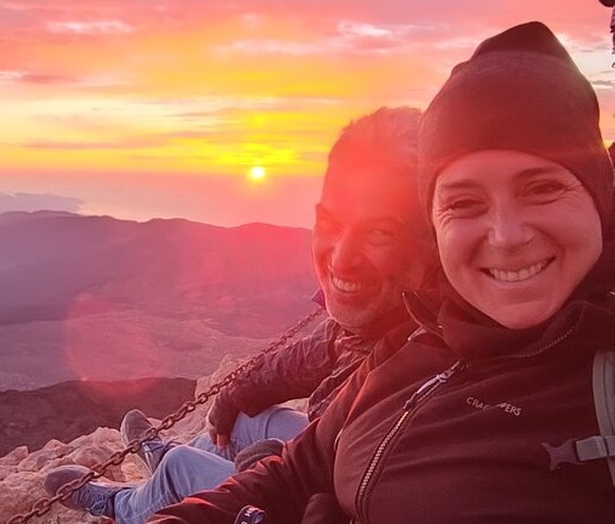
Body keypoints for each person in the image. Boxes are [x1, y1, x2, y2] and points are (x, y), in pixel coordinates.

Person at [149, 21, 615, 523]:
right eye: (464, 201)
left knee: (182, 461)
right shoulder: (422, 343)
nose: (505, 234)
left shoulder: (597, 384)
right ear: (437, 222)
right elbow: (300, 469)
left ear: (598, 197)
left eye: (542, 188)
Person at [43, 106, 439, 523]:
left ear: (432, 241)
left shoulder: (425, 364)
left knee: (184, 468)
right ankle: (163, 467)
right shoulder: (398, 317)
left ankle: (125, 506)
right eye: (330, 222)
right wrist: (237, 393)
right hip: (319, 464)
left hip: (316, 498)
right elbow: (323, 350)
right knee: (249, 417)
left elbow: (352, 487)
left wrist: (268, 471)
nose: (341, 259)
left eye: (380, 232)